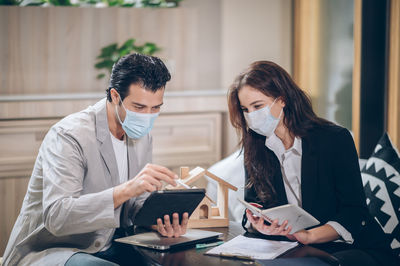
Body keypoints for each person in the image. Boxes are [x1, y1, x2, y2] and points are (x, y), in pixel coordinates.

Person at [3, 53, 189, 266]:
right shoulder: (68, 135)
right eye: (139, 107)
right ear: (115, 96)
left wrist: (159, 220)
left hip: (111, 244)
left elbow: (133, 207)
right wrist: (127, 189)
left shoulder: (142, 135)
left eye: (155, 108)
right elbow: (57, 217)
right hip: (54, 248)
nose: (147, 116)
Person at [227, 61, 398, 266]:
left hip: (352, 247)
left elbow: (354, 212)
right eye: (245, 109)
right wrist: (259, 225)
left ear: (282, 100)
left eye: (257, 106)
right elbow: (254, 207)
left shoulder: (334, 139)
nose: (251, 116)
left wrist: (308, 236)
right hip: (294, 248)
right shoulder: (256, 149)